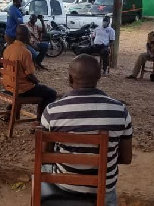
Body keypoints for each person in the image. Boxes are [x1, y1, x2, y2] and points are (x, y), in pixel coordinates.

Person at [40, 54, 132, 205]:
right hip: (103, 194)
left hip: (64, 186)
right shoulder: (120, 111)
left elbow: (46, 155)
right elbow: (126, 158)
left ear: (70, 79)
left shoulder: (52, 111)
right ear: (99, 77)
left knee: (45, 164)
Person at [3, 25, 57, 124]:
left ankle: (9, 112)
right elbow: (30, 75)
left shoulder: (8, 48)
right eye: (29, 35)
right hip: (20, 89)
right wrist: (38, 82)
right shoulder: (25, 52)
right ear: (26, 36)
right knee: (51, 93)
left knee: (24, 85)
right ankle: (40, 121)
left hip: (8, 86)